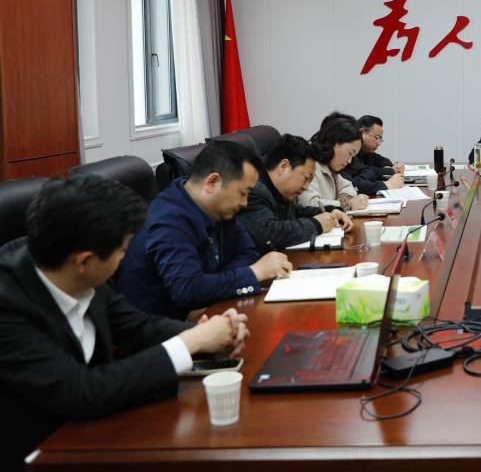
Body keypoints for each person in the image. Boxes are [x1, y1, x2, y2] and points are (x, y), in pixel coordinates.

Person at [0, 174, 250, 471]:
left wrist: (209, 334)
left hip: (98, 433)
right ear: (84, 262)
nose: (124, 258)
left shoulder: (83, 277)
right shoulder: (8, 307)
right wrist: (190, 342)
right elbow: (80, 391)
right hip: (39, 455)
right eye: (122, 250)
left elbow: (140, 327)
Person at [119, 141, 292, 319]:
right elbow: (188, 290)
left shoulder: (219, 207)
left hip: (207, 314)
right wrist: (255, 273)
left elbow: (248, 252)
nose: (245, 203)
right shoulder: (168, 220)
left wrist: (212, 285)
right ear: (212, 182)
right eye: (242, 193)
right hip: (162, 327)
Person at [239, 134, 352, 253]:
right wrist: (317, 224)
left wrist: (330, 211)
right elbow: (269, 234)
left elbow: (297, 213)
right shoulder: (254, 191)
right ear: (283, 166)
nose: (306, 187)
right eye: (306, 178)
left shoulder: (279, 192)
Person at [299, 117, 370, 212]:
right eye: (350, 153)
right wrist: (347, 204)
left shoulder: (330, 167)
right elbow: (309, 204)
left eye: (353, 157)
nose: (349, 161)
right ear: (334, 143)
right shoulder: (310, 165)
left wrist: (343, 200)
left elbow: (348, 186)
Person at [343, 114, 406, 195]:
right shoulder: (350, 156)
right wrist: (388, 182)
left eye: (380, 139)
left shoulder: (366, 151)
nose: (378, 143)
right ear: (362, 132)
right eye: (376, 138)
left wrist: (388, 167)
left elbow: (381, 161)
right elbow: (357, 183)